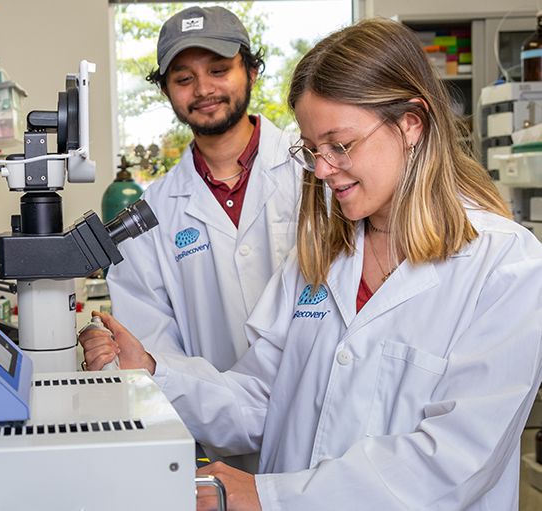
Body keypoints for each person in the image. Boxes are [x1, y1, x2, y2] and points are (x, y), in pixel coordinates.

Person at [81, 18, 542, 510]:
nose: (321, 169)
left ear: (412, 123)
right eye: (312, 149)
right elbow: (262, 400)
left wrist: (271, 495)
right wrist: (153, 370)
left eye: (340, 146)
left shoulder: (504, 265)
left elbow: (454, 461)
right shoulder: (323, 255)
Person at [105, 5, 302, 469]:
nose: (204, 90)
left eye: (218, 69)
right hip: (222, 451)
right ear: (166, 89)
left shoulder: (313, 173)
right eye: (184, 78)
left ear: (251, 70)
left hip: (328, 433)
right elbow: (151, 348)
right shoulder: (149, 215)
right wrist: (216, 408)